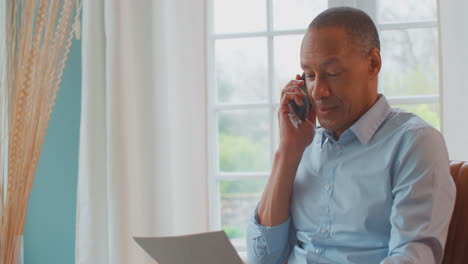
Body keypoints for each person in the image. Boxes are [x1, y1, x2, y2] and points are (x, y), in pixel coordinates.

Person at [246, 7, 456, 264]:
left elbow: (412, 256)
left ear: (373, 63)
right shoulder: (302, 148)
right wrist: (288, 151)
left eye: (333, 73)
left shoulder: (414, 143)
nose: (318, 92)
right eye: (310, 76)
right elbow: (262, 259)